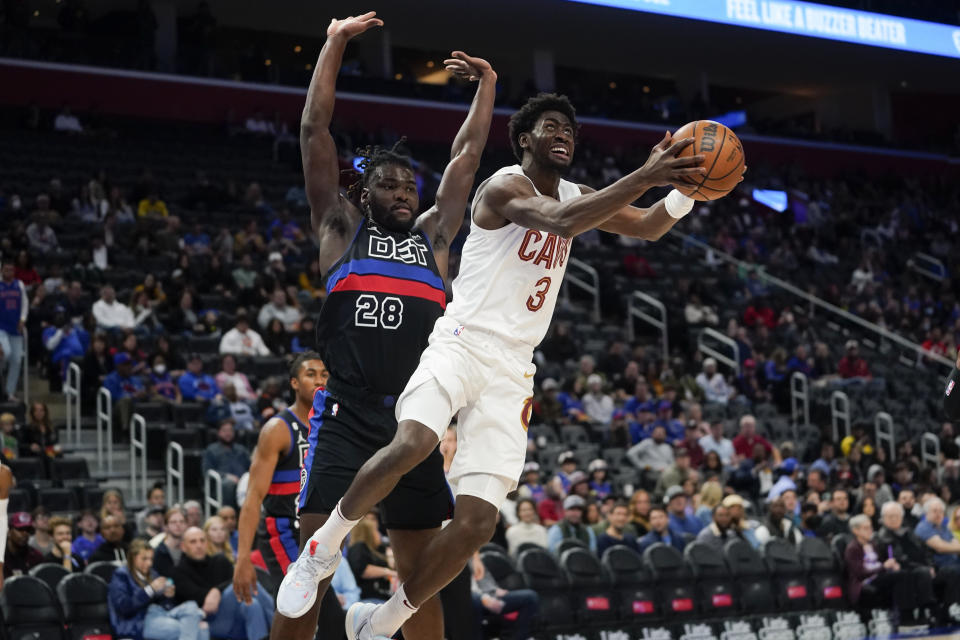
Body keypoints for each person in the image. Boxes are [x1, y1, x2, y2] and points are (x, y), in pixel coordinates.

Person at [270, 13, 499, 640]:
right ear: (363, 194)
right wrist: (335, 41)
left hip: (417, 417)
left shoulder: (435, 236)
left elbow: (468, 154)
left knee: (419, 573)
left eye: (408, 184)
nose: (403, 190)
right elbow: (314, 128)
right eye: (388, 184)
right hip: (347, 413)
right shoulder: (340, 230)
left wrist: (488, 86)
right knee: (310, 568)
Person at [233, 352, 325, 602]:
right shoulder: (278, 429)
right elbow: (253, 498)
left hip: (319, 534)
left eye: (324, 375)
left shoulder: (332, 426)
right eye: (311, 374)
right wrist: (242, 558)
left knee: (308, 615)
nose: (319, 381)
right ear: (294, 383)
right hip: (284, 531)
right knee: (306, 608)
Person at [174, 527, 274, 640]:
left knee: (251, 604)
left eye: (202, 540)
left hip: (232, 618)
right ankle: (281, 626)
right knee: (245, 584)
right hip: (207, 622)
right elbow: (204, 601)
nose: (199, 545)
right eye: (193, 542)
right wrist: (218, 590)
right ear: (183, 546)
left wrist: (217, 590)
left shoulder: (219, 562)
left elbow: (233, 583)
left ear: (207, 543)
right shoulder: (179, 571)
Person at [108, 538, 209, 640]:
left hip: (159, 615)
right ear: (132, 558)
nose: (149, 564)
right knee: (198, 628)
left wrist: (167, 596)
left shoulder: (152, 573)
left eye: (151, 559)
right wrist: (150, 590)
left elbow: (165, 606)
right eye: (144, 559)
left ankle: (195, 617)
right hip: (139, 622)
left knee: (191, 606)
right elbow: (124, 608)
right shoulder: (121, 575)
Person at [845, 514, 932, 623]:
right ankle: (905, 616)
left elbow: (882, 562)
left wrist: (891, 565)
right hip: (865, 581)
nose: (870, 530)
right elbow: (859, 573)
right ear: (856, 531)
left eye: (871, 527)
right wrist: (883, 567)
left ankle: (915, 611)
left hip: (879, 576)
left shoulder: (873, 544)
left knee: (904, 573)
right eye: (866, 528)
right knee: (900, 576)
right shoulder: (852, 548)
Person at [471, 552, 539, 640]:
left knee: (531, 597)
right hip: (473, 599)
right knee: (475, 601)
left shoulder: (474, 554)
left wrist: (495, 589)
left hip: (490, 595)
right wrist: (483, 598)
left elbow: (484, 579)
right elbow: (464, 587)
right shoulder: (456, 555)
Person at [347, 513, 396, 603]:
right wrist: (388, 572)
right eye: (375, 530)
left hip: (386, 597)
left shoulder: (378, 549)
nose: (379, 534)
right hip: (371, 598)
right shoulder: (358, 547)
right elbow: (361, 569)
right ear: (368, 533)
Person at [202, 419, 251, 508]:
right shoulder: (211, 450)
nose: (228, 433)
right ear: (219, 433)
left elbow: (251, 467)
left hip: (242, 483)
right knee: (228, 484)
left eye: (230, 430)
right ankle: (229, 516)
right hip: (220, 486)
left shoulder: (241, 449)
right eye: (224, 430)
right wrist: (226, 476)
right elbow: (207, 472)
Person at [0, 259, 28, 402]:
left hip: (15, 328)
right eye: (6, 269)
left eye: (11, 270)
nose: (8, 272)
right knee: (6, 353)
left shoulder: (20, 285)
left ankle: (10, 392)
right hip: (1, 327)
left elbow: (25, 304)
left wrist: (23, 319)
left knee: (17, 360)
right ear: (1, 270)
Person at [3, 511, 42, 579]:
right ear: (8, 531)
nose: (25, 533)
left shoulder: (36, 557)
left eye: (28, 530)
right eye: (20, 529)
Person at [152, 508, 187, 578]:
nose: (178, 525)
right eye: (173, 522)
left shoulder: (190, 550)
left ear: (186, 525)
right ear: (166, 526)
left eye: (182, 521)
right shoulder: (157, 553)